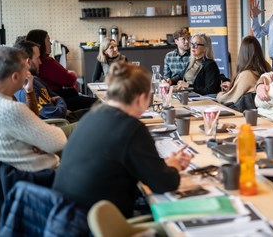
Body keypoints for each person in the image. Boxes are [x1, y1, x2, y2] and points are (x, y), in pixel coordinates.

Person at [53, 62, 192, 218]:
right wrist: (173, 168)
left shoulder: (93, 115)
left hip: (66, 217)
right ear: (141, 99)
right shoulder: (131, 128)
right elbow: (164, 184)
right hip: (98, 226)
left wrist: (160, 166)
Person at [0, 46, 66, 172]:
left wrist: (29, 91)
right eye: (25, 70)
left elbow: (31, 120)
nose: (28, 74)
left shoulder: (5, 101)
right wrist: (46, 135)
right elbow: (58, 141)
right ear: (15, 77)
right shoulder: (11, 109)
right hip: (46, 177)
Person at [14, 40, 86, 123]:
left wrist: (58, 101)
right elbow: (57, 113)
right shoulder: (26, 89)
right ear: (28, 62)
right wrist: (58, 101)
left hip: (65, 117)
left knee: (97, 112)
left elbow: (56, 97)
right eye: (38, 58)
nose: (40, 62)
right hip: (58, 125)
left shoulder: (35, 79)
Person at [26, 29, 97, 111]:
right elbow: (69, 80)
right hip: (61, 102)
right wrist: (72, 73)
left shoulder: (35, 70)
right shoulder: (46, 63)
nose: (51, 43)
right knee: (100, 104)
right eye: (48, 40)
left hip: (58, 101)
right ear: (41, 43)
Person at [217, 36, 271, 105]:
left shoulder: (246, 74)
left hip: (245, 113)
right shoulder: (267, 67)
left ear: (242, 53)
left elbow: (229, 99)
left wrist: (219, 94)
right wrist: (233, 87)